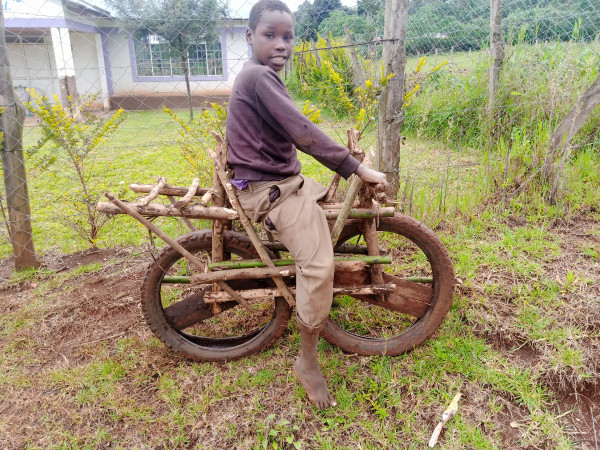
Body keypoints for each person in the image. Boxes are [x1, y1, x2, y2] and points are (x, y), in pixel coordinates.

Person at [225, 0, 388, 409]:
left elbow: (292, 132)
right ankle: (308, 361)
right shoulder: (260, 77)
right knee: (317, 266)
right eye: (270, 35)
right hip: (268, 190)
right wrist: (355, 168)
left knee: (327, 209)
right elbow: (302, 131)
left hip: (285, 179)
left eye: (288, 36)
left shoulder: (258, 75)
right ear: (250, 37)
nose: (281, 45)